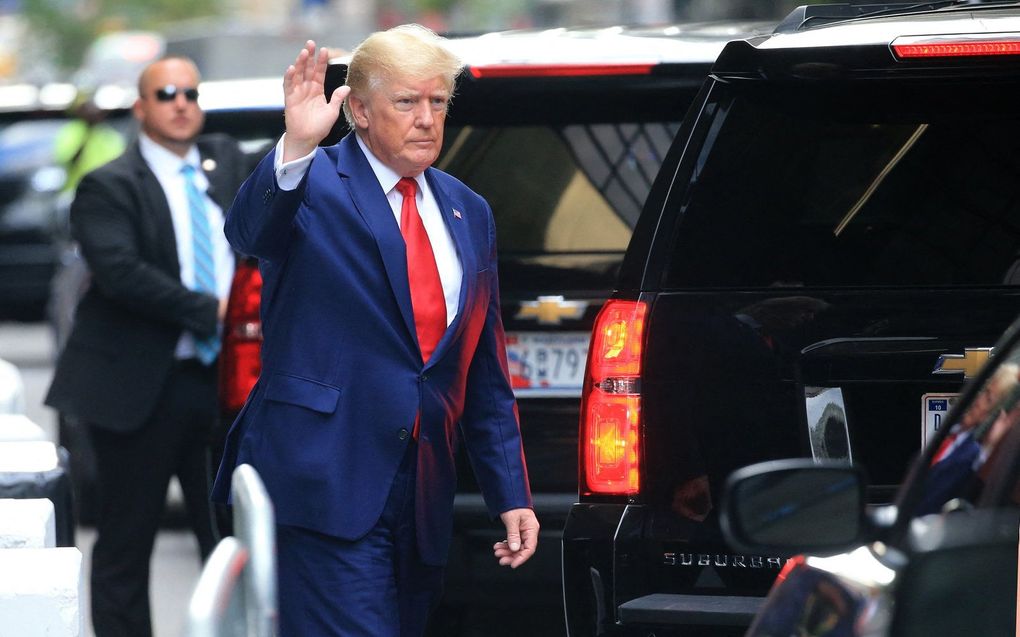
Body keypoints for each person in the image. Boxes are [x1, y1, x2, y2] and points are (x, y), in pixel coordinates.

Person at [211, 25, 539, 637]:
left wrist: (511, 493)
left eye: (438, 102)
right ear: (358, 110)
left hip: (421, 493)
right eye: (407, 102)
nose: (426, 120)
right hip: (324, 483)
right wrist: (295, 145)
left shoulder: (469, 209)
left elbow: (484, 372)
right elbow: (250, 234)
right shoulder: (311, 182)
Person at [44, 55, 249, 637]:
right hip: (141, 389)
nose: (180, 102)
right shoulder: (108, 184)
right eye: (165, 94)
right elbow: (121, 272)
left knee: (233, 538)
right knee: (126, 543)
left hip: (225, 385)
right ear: (141, 108)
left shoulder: (227, 164)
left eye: (189, 92)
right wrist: (218, 313)